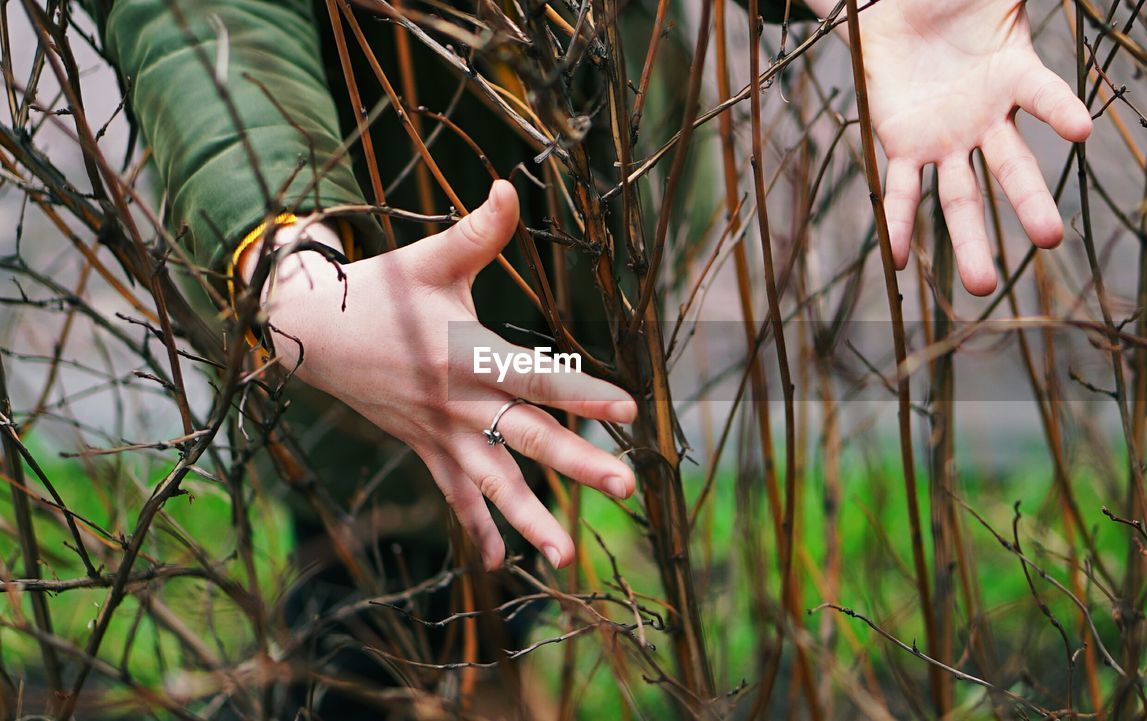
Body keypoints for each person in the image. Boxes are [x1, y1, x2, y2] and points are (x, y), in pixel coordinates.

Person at [81, 0, 1091, 712]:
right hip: (384, 297)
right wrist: (288, 260)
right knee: (375, 619)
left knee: (496, 584)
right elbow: (203, 31)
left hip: (554, 269)